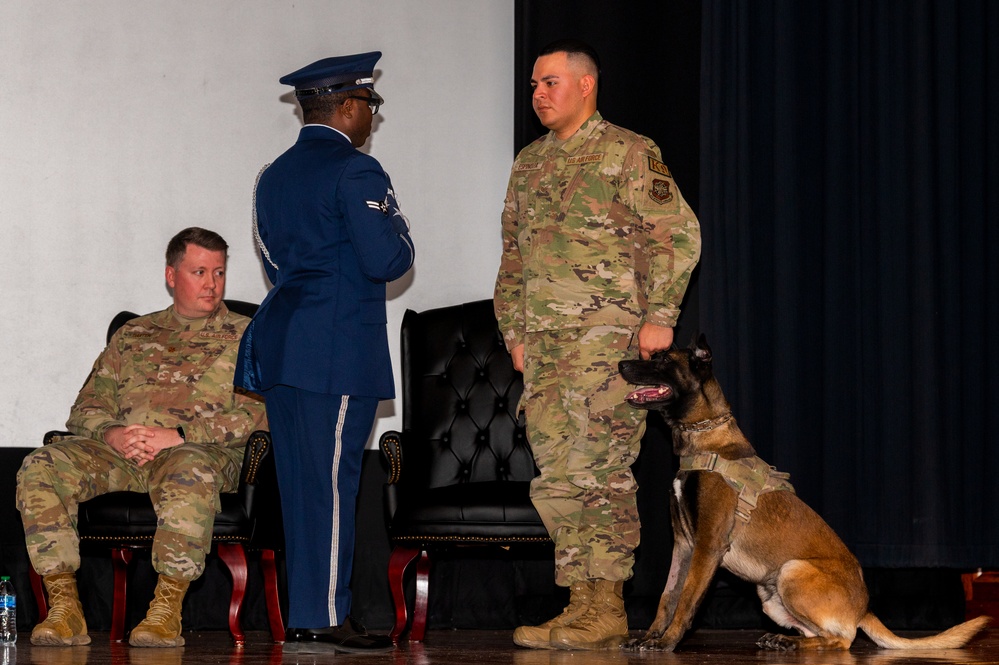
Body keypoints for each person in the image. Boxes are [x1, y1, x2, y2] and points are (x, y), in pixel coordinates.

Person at [494, 39, 702, 651]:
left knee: (601, 470)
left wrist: (661, 314)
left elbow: (678, 234)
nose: (538, 94)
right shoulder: (529, 163)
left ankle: (605, 605)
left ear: (586, 85)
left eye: (550, 83)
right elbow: (513, 258)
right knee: (558, 477)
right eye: (533, 84)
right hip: (547, 349)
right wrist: (516, 333)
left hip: (607, 342)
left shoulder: (630, 153)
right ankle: (582, 602)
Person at [234, 51, 414, 653]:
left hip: (284, 346)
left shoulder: (271, 175)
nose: (371, 118)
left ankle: (309, 612)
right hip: (335, 350)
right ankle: (328, 618)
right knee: (334, 483)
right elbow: (389, 260)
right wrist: (403, 229)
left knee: (302, 484)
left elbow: (275, 263)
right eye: (368, 106)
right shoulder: (358, 172)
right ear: (347, 107)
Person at [17, 227, 267, 648]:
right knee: (40, 465)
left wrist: (179, 435)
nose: (211, 283)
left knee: (189, 469)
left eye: (219, 272)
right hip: (123, 454)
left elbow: (256, 415)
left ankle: (165, 612)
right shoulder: (134, 334)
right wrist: (112, 433)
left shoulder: (248, 337)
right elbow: (85, 409)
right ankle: (65, 609)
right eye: (199, 271)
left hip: (198, 453)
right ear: (171, 275)